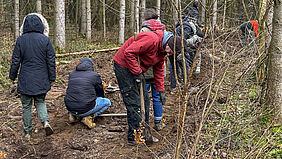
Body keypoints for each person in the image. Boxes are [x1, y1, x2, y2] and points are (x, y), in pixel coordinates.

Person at [113, 30, 184, 146]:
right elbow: (129, 53)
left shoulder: (162, 52)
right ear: (168, 45)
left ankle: (144, 132)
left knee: (145, 102)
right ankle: (134, 136)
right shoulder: (151, 39)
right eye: (172, 51)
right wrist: (137, 71)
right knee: (134, 102)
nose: (171, 54)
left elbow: (159, 70)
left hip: (136, 70)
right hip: (124, 67)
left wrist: (161, 90)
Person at [9, 13, 56, 138]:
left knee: (26, 106)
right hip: (41, 78)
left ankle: (27, 133)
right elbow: (51, 60)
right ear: (41, 25)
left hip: (25, 79)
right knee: (40, 101)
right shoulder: (45, 40)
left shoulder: (20, 40)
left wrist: (12, 76)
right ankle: (45, 122)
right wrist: (52, 78)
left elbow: (15, 60)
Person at [64, 58, 111, 129]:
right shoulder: (94, 75)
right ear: (91, 66)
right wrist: (101, 97)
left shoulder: (72, 74)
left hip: (70, 107)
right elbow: (100, 91)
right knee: (107, 102)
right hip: (85, 108)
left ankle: (73, 116)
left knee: (74, 97)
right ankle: (89, 117)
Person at [140, 8, 166, 131]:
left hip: (145, 71)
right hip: (159, 70)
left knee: (144, 98)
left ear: (145, 19)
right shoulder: (163, 30)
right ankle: (158, 122)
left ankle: (143, 123)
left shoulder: (143, 31)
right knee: (157, 96)